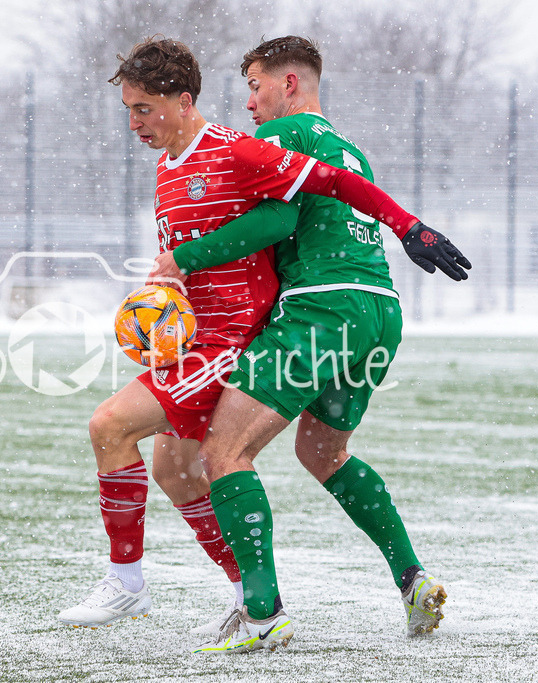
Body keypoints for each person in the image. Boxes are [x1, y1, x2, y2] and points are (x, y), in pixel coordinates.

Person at [58, 37, 467, 636]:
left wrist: (188, 261)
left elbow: (280, 216)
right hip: (377, 311)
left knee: (216, 452)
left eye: (255, 86)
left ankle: (252, 608)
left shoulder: (269, 140)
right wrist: (410, 227)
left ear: (289, 83)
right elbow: (336, 193)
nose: (249, 102)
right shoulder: (352, 149)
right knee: (307, 454)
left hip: (313, 312)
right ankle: (409, 578)